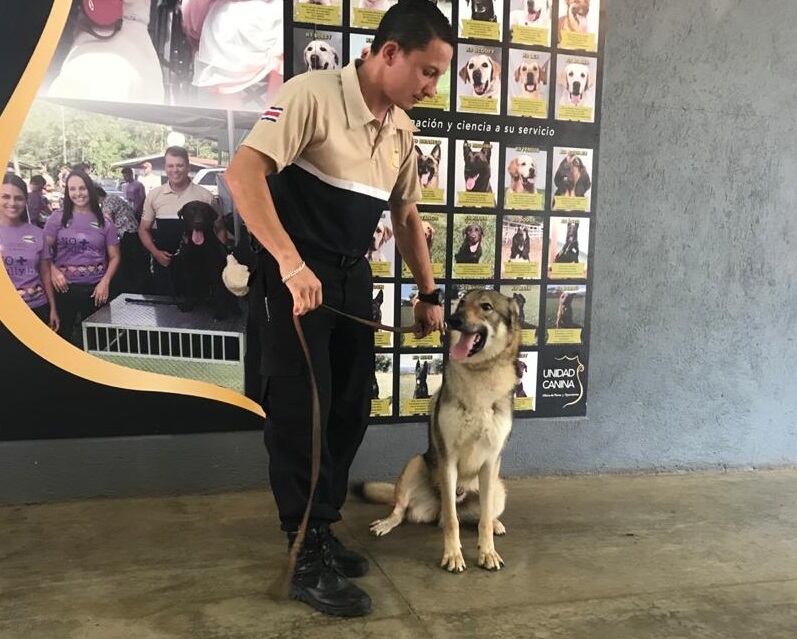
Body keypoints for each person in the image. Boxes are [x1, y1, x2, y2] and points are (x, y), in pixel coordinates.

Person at [225, 0, 453, 617]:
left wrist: (428, 293)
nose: (434, 87)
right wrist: (290, 264)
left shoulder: (401, 126)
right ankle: (302, 553)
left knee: (350, 410)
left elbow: (406, 218)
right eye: (428, 72)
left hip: (352, 277)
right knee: (305, 416)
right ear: (389, 54)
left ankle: (321, 527)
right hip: (295, 275)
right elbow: (242, 174)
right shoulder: (312, 95)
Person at [44, 170, 120, 347]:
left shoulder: (105, 221)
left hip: (96, 291)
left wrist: (105, 281)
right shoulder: (57, 218)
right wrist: (53, 271)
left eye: (83, 188)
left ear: (90, 190)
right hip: (63, 289)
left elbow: (115, 257)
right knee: (61, 340)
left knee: (98, 342)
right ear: (67, 192)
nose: (78, 193)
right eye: (73, 189)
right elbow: (42, 249)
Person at [138, 146, 225, 295]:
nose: (175, 170)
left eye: (179, 165)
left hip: (200, 271)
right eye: (170, 166)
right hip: (166, 268)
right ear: (165, 167)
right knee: (167, 314)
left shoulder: (205, 196)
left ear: (187, 167)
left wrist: (219, 259)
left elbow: (220, 229)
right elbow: (143, 229)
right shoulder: (154, 195)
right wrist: (156, 253)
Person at [0, 174, 59, 330]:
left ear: (26, 201)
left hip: (37, 309)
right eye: (5, 197)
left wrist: (53, 308)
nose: (12, 203)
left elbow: (45, 275)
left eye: (18, 198)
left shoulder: (37, 234)